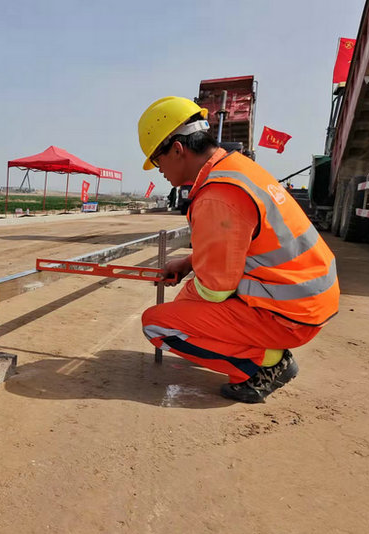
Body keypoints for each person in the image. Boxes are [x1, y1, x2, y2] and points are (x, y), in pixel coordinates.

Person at [137, 96, 339, 403]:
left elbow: (215, 290)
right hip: (306, 299)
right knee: (187, 303)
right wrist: (190, 263)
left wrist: (192, 295)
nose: (158, 170)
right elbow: (243, 243)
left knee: (158, 324)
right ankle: (255, 350)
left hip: (290, 316)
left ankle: (265, 365)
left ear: (177, 150)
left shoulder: (217, 195)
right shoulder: (236, 169)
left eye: (156, 160)